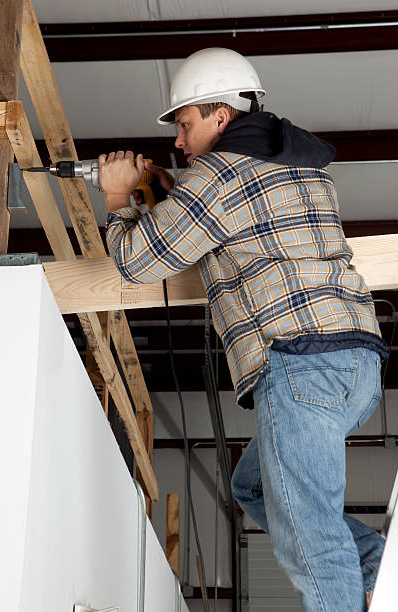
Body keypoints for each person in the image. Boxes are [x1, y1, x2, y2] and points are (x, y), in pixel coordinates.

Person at [99, 48, 387, 611]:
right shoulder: (302, 166)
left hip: (299, 363)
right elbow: (218, 228)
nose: (178, 143)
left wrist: (116, 195)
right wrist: (160, 191)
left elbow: (141, 260)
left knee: (311, 542)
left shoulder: (220, 172)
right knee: (251, 486)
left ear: (221, 117)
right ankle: (376, 563)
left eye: (184, 124)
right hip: (356, 366)